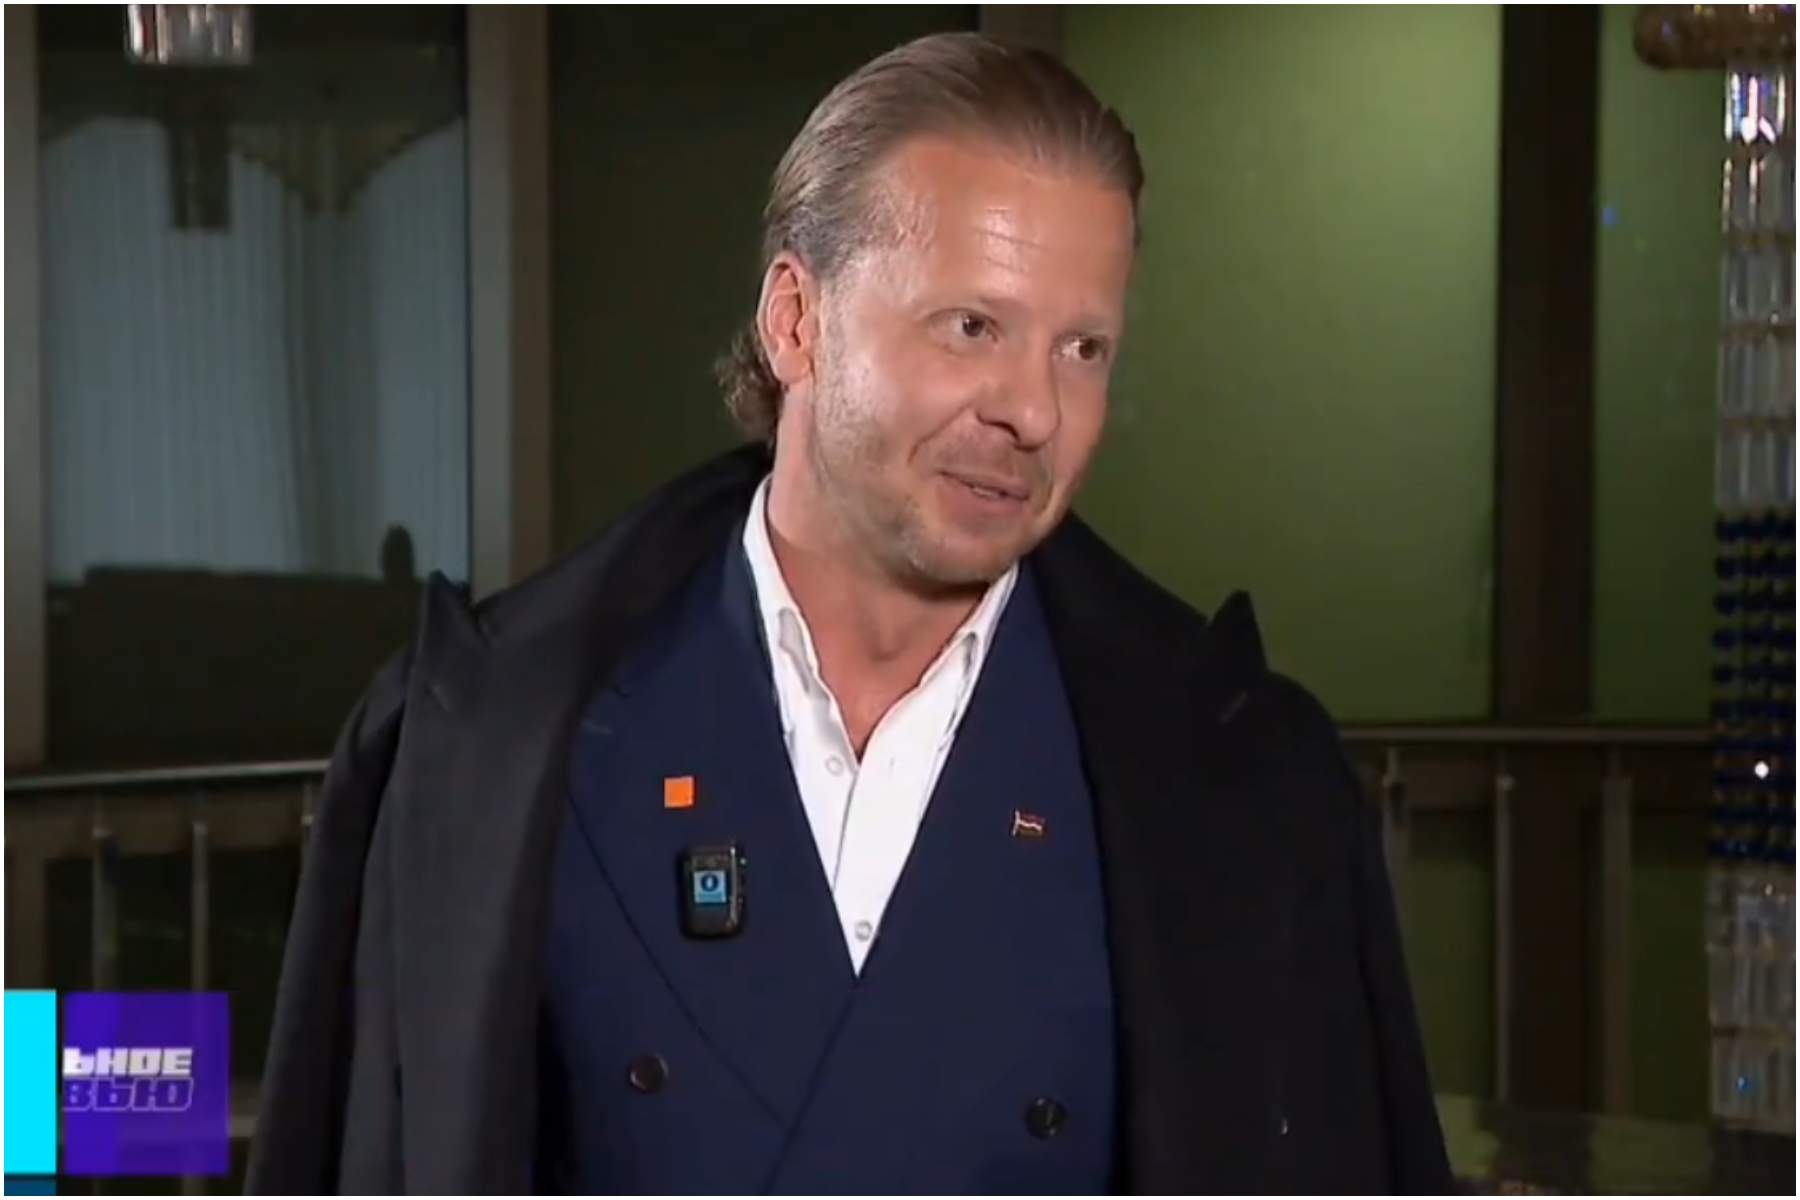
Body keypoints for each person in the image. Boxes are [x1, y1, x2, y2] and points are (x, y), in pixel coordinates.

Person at [248, 32, 1450, 1195]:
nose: (1034, 411)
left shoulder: (1241, 785)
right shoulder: (487, 743)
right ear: (796, 322)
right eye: (973, 326)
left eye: (1083, 348)